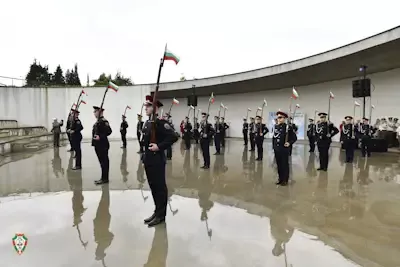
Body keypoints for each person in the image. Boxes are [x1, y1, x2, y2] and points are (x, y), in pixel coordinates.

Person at [141, 95, 178, 227]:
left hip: (157, 160)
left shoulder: (160, 122)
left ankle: (161, 216)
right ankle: (157, 212)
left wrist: (159, 146)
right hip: (148, 160)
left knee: (160, 188)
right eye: (146, 105)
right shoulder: (147, 123)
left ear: (155, 108)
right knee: (153, 187)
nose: (145, 108)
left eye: (149, 106)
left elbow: (174, 136)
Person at [272, 111, 297, 186]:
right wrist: (274, 147)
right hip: (277, 149)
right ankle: (280, 179)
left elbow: (294, 138)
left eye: (280, 117)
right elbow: (274, 138)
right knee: (279, 165)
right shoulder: (275, 126)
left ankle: (285, 180)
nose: (278, 119)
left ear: (284, 118)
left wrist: (289, 143)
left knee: (284, 165)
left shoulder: (288, 127)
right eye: (278, 117)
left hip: (284, 149)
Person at [92, 106, 112, 185]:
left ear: (99, 112)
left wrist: (100, 136)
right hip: (98, 145)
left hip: (102, 145)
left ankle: (105, 178)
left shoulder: (104, 121)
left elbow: (109, 131)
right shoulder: (98, 121)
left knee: (104, 162)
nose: (94, 113)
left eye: (95, 111)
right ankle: (103, 177)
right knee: (102, 162)